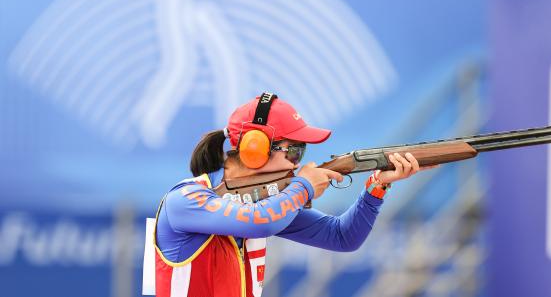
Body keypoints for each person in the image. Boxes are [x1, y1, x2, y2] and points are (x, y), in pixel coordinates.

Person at [153, 93, 427, 297]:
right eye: (294, 151)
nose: (297, 164)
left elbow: (343, 237)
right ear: (254, 149)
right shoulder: (185, 200)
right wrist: (304, 186)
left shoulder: (264, 204)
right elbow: (258, 221)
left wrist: (377, 186)